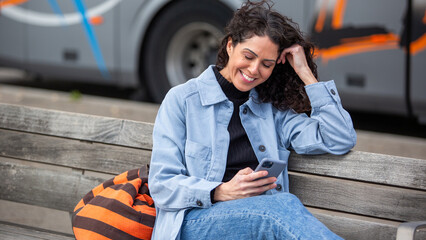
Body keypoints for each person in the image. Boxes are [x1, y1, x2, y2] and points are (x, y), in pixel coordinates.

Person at [148, 1, 357, 239]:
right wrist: (221, 191)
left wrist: (305, 73)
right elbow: (161, 184)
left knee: (272, 209)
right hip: (195, 223)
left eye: (266, 64)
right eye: (248, 56)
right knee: (278, 207)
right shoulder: (183, 100)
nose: (254, 70)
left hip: (256, 221)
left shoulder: (272, 110)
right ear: (230, 46)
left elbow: (339, 138)